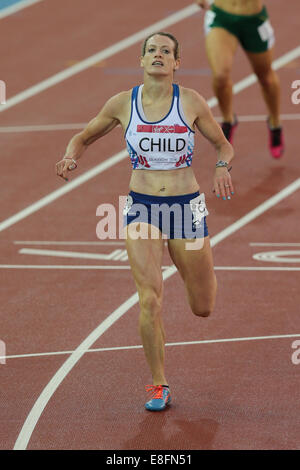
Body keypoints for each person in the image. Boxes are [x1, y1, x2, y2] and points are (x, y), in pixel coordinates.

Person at [56, 32, 234, 411]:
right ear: (141, 60)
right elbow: (83, 137)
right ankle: (158, 384)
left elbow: (223, 144)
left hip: (188, 207)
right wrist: (71, 156)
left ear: (176, 63)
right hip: (142, 207)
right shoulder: (123, 104)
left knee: (203, 306)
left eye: (166, 51)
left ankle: (194, 272)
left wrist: (221, 165)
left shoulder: (190, 101)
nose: (158, 55)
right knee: (149, 299)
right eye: (151, 50)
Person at [195, 0, 284, 158]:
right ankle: (228, 121)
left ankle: (275, 123)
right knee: (220, 76)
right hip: (221, 17)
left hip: (254, 20)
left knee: (266, 78)